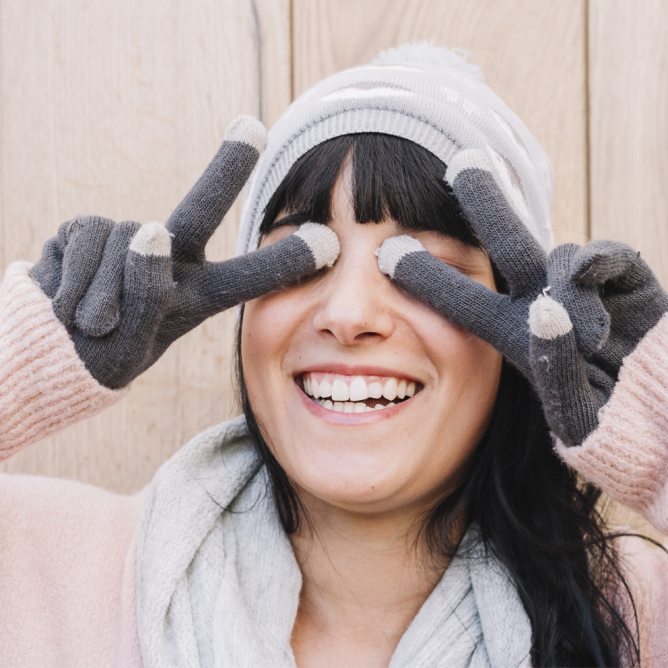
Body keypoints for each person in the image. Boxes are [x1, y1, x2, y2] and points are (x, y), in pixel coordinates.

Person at [1, 42, 668, 668]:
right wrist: (20, 360)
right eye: (302, 258)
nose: (348, 316)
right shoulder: (43, 572)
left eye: (424, 266)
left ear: (530, 336)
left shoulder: (639, 616)